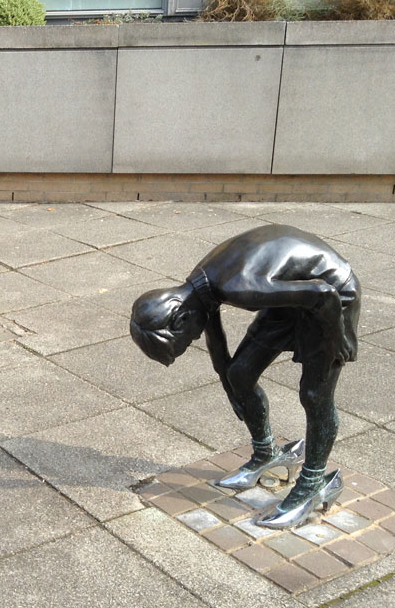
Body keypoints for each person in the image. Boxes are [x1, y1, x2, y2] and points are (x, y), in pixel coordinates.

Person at [129, 224, 360, 529]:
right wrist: (231, 388)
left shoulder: (242, 286)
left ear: (182, 318)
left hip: (331, 296)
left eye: (187, 340)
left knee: (315, 395)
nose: (195, 339)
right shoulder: (199, 289)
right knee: (241, 373)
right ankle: (267, 453)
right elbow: (219, 348)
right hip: (294, 295)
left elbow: (323, 294)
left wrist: (336, 339)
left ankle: (313, 483)